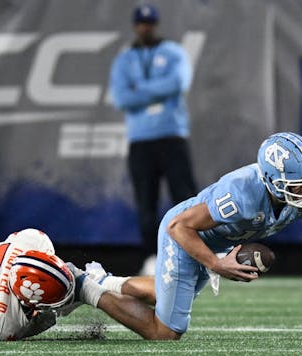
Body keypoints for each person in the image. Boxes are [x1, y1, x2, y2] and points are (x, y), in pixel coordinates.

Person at [70, 132, 302, 340]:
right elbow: (179, 226)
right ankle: (84, 286)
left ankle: (103, 280)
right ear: (271, 181)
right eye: (297, 185)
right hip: (186, 235)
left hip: (217, 242)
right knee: (166, 331)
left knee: (164, 294)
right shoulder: (241, 192)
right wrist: (216, 264)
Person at [109, 3, 198, 275]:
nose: (145, 27)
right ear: (136, 26)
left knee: (185, 199)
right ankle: (151, 255)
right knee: (145, 203)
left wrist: (141, 89)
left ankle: (195, 253)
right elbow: (121, 98)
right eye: (141, 23)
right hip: (141, 141)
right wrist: (159, 90)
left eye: (149, 23)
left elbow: (178, 83)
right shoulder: (124, 59)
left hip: (172, 135)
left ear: (155, 24)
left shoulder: (173, 52)